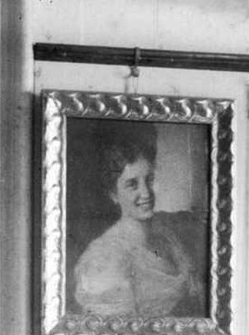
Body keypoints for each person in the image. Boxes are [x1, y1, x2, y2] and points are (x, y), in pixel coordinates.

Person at [72, 126, 203, 319]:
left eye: (149, 180)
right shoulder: (104, 258)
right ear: (113, 194)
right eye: (132, 184)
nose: (146, 193)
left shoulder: (166, 238)